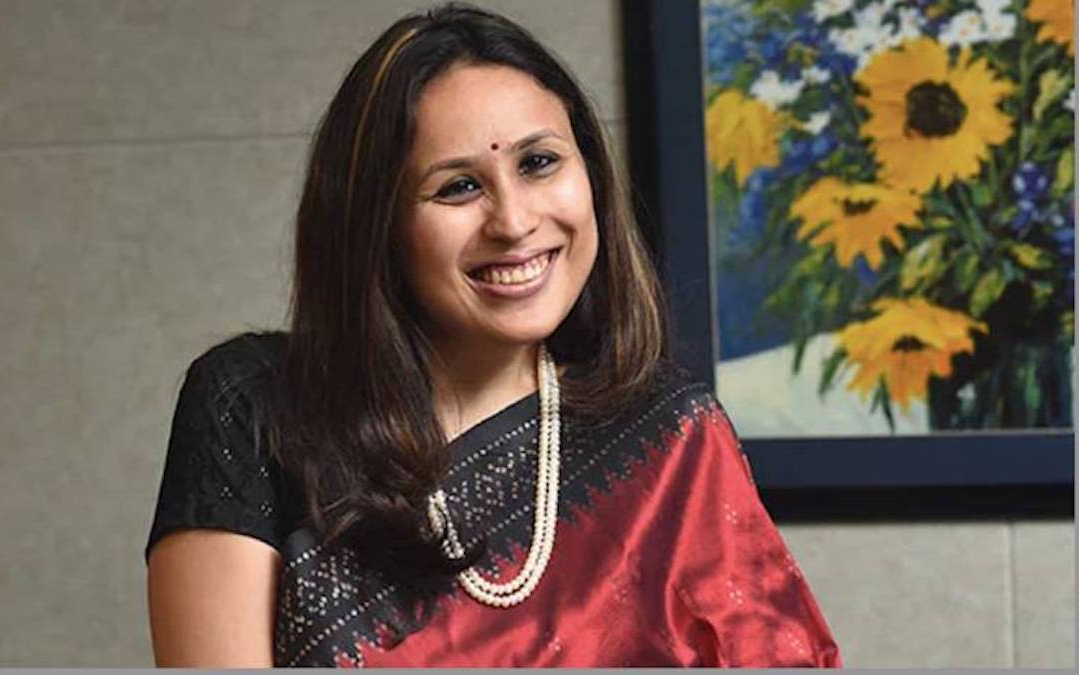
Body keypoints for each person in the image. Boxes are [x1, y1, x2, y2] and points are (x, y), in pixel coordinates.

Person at [144, 2, 841, 667]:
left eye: (539, 163)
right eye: (458, 187)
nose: (513, 221)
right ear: (375, 226)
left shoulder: (668, 436)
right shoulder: (258, 410)